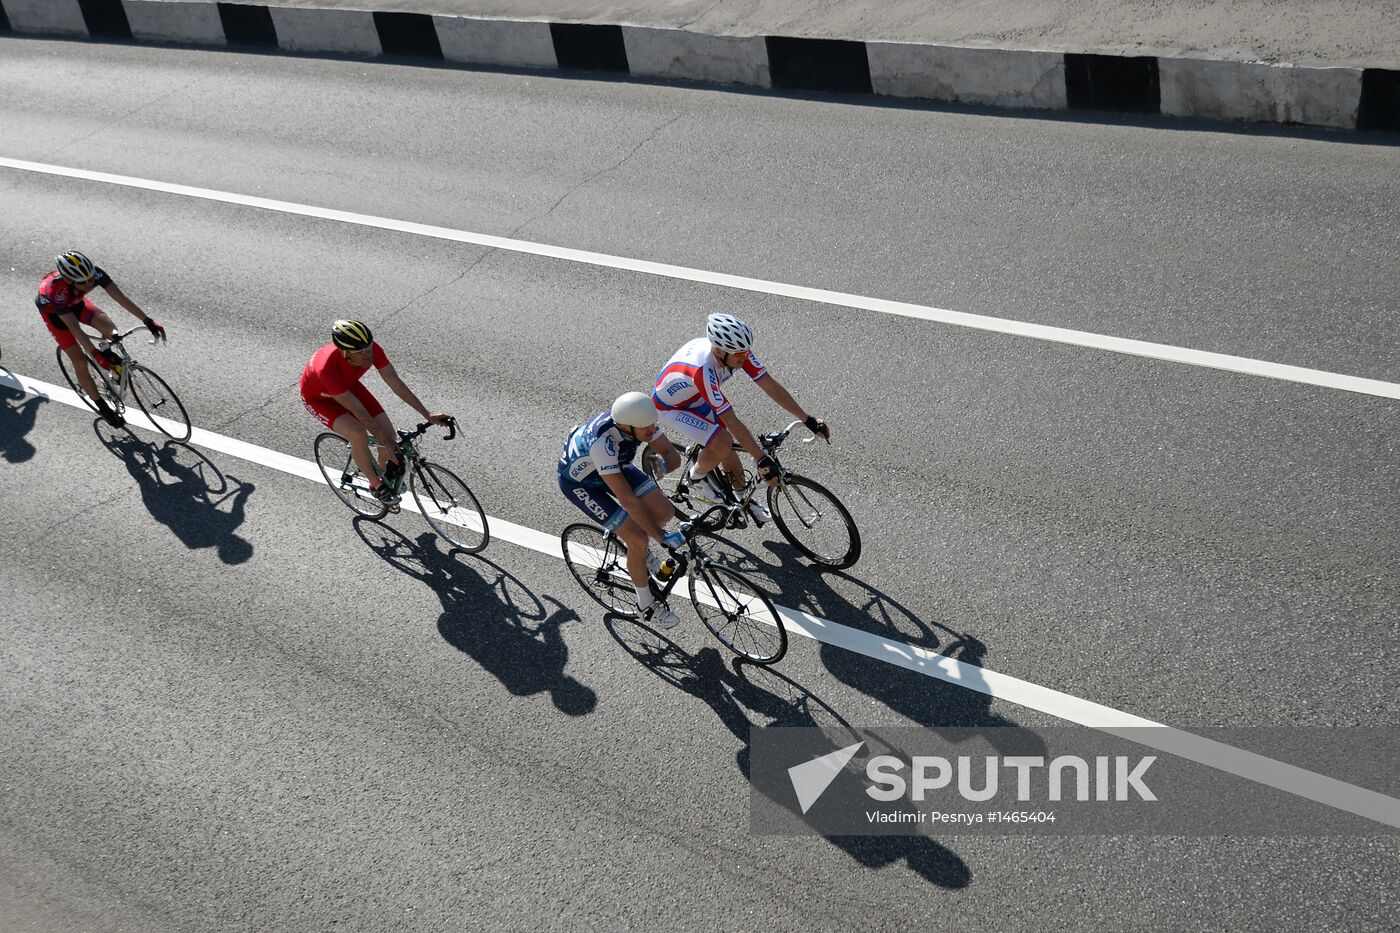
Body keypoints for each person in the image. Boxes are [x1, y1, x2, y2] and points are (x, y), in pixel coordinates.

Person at [652, 313, 830, 522]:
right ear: (718, 351)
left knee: (728, 448)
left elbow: (768, 384)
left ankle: (742, 497)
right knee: (723, 441)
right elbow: (731, 419)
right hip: (671, 407)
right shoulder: (703, 369)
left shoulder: (734, 351)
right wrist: (761, 459)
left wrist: (807, 418)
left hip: (697, 397)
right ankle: (697, 477)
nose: (744, 358)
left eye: (746, 352)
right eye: (739, 355)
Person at [558, 392, 685, 627]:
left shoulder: (639, 421)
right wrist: (661, 537)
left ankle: (637, 553)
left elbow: (671, 453)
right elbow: (627, 499)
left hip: (614, 467)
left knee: (664, 512)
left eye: (652, 425)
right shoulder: (602, 444)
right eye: (645, 428)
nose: (651, 431)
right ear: (626, 427)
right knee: (638, 540)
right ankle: (645, 605)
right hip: (583, 484)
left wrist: (664, 466)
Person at [300, 319, 451, 504]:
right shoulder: (327, 369)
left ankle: (384, 477)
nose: (367, 354)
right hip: (320, 399)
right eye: (360, 352)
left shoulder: (371, 350)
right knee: (358, 434)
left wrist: (427, 414)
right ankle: (375, 485)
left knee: (389, 433)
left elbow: (395, 383)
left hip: (348, 388)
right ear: (345, 353)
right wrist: (385, 441)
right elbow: (360, 413)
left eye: (368, 347)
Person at [37, 250, 166, 427]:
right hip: (56, 315)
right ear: (69, 280)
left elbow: (121, 298)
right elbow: (74, 328)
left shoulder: (93, 274)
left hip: (77, 304)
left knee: (111, 330)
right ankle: (103, 407)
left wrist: (147, 320)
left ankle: (109, 361)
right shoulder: (55, 292)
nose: (90, 283)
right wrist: (93, 353)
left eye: (91, 278)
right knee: (80, 360)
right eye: (85, 282)